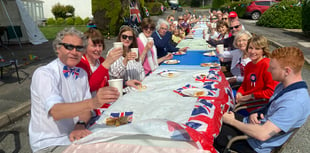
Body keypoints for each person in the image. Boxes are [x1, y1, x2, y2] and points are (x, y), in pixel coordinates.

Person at [29, 27, 120, 153]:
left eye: (79, 48)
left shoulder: (81, 73)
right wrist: (94, 102)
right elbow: (56, 111)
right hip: (50, 143)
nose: (74, 52)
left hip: (76, 137)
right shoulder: (45, 74)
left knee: (120, 139)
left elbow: (86, 111)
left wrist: (80, 123)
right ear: (57, 48)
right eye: (69, 46)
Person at [214, 46, 310, 153]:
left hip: (254, 144)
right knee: (214, 116)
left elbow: (262, 135)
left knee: (209, 131)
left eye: (272, 68)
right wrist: (257, 112)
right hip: (253, 126)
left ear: (287, 71)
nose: (269, 70)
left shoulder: (294, 103)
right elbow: (271, 107)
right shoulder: (284, 86)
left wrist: (232, 121)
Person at [77, 28, 141, 115]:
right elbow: (90, 87)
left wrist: (126, 83)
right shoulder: (81, 64)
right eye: (94, 46)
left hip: (105, 106)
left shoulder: (100, 60)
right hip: (88, 111)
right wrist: (107, 63)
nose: (98, 49)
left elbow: (107, 84)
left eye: (100, 46)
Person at [236, 35, 278, 115]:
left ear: (263, 51)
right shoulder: (248, 65)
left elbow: (271, 92)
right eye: (250, 48)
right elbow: (245, 85)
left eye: (257, 49)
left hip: (258, 106)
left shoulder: (267, 65)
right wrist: (239, 93)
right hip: (246, 101)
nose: (252, 51)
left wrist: (251, 96)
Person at [109, 26, 145, 92]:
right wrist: (125, 60)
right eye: (124, 37)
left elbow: (141, 70)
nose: (127, 39)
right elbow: (115, 74)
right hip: (122, 91)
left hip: (137, 90)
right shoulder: (113, 52)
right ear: (120, 37)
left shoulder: (134, 51)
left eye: (130, 38)